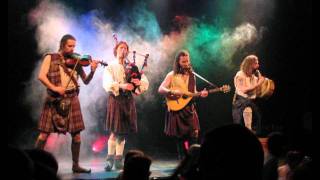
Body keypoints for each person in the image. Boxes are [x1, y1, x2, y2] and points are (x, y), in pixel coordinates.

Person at [35, 34, 97, 173]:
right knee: (43, 135)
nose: (72, 49)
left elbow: (85, 81)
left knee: (77, 135)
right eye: (70, 46)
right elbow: (41, 76)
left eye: (74, 46)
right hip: (54, 99)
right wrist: (55, 87)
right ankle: (35, 161)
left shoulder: (77, 61)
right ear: (62, 44)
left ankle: (75, 165)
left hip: (72, 98)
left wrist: (92, 71)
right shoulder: (50, 57)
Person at [102, 41, 149, 171]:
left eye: (125, 48)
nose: (123, 50)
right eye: (121, 48)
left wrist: (138, 82)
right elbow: (107, 83)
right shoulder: (110, 66)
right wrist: (122, 85)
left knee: (122, 133)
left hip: (128, 100)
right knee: (114, 131)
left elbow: (143, 81)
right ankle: (109, 160)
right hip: (116, 99)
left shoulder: (132, 67)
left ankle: (118, 161)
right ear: (116, 50)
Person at [158, 50, 208, 160]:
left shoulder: (192, 76)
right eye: (183, 62)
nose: (186, 64)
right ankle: (182, 159)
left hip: (189, 108)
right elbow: (160, 89)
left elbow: (193, 92)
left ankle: (193, 159)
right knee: (179, 136)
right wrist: (171, 92)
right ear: (178, 62)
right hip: (176, 108)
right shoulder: (172, 75)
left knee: (194, 133)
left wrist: (201, 94)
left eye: (187, 61)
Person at [232, 54, 265, 134]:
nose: (258, 65)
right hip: (240, 100)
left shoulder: (253, 76)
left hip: (250, 101)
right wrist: (258, 84)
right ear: (250, 64)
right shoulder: (240, 74)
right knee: (238, 124)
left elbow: (257, 90)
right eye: (256, 63)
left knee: (256, 119)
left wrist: (262, 82)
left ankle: (251, 136)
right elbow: (244, 90)